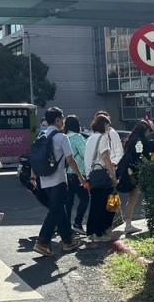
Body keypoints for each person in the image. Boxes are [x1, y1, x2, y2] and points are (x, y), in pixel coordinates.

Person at [32, 107, 85, 257]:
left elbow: (35, 158)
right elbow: (71, 160)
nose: (63, 122)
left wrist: (33, 177)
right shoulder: (62, 137)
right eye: (62, 119)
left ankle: (68, 241)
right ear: (57, 120)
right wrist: (80, 177)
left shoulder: (41, 135)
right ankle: (42, 242)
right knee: (55, 211)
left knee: (59, 211)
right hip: (59, 180)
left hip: (44, 181)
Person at [84, 113, 117, 242]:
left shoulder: (90, 138)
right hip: (103, 176)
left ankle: (93, 232)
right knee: (110, 203)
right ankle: (102, 231)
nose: (109, 128)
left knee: (95, 205)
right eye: (108, 125)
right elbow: (105, 158)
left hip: (92, 176)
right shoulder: (103, 138)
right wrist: (113, 175)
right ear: (104, 125)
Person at [119, 120, 154, 235]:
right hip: (135, 172)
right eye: (148, 131)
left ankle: (128, 223)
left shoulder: (131, 138)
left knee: (132, 198)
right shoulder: (139, 140)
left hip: (129, 171)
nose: (148, 134)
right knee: (134, 197)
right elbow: (140, 155)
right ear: (144, 130)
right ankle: (128, 224)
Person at [63, 115, 90, 235]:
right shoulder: (77, 137)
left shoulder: (63, 137)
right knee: (85, 198)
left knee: (68, 202)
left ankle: (66, 226)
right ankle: (78, 223)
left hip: (65, 175)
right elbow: (85, 154)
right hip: (77, 173)